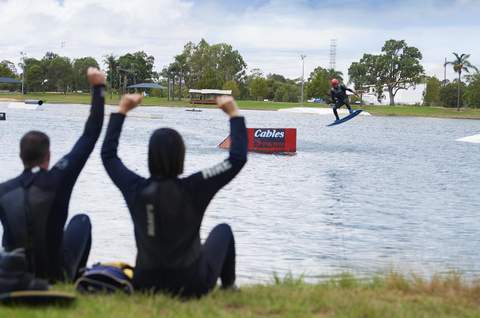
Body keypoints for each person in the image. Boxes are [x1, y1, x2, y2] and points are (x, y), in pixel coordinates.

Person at [101, 94, 247, 297]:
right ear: (182, 156)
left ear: (149, 156)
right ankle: (229, 286)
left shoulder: (134, 187)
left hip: (144, 283)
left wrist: (122, 110)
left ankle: (228, 286)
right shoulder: (197, 186)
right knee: (223, 231)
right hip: (191, 285)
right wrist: (234, 114)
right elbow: (237, 159)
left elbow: (108, 156)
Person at [0, 67, 106, 282]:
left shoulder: (4, 190)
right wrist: (98, 87)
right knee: (81, 220)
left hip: (15, 271)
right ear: (48, 154)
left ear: (21, 155)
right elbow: (90, 135)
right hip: (55, 273)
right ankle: (75, 278)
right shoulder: (59, 178)